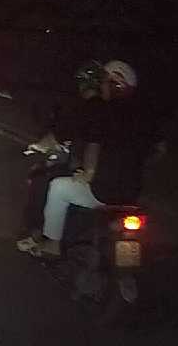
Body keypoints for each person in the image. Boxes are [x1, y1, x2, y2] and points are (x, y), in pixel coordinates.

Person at [17, 60, 156, 258]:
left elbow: (93, 143)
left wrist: (89, 173)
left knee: (58, 187)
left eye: (104, 82)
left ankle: (53, 244)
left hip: (104, 190)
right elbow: (157, 150)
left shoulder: (102, 111)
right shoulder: (143, 116)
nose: (102, 87)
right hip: (132, 191)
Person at [17, 60, 105, 237]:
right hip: (113, 178)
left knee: (42, 180)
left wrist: (38, 146)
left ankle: (41, 235)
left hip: (89, 174)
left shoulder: (85, 109)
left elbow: (58, 135)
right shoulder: (111, 110)